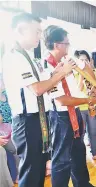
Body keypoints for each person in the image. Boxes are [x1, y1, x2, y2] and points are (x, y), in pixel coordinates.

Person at [2, 13, 74, 187]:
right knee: (31, 171)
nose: (39, 36)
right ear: (20, 30)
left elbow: (42, 82)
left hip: (38, 120)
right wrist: (61, 74)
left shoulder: (28, 58)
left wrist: (55, 73)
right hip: (27, 122)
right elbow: (38, 89)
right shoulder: (15, 57)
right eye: (36, 31)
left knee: (39, 168)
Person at [43, 25, 96, 187]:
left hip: (75, 113)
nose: (69, 46)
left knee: (78, 153)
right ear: (57, 45)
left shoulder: (67, 61)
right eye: (67, 43)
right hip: (61, 118)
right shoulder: (48, 68)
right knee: (61, 159)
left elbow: (89, 73)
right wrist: (87, 101)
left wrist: (85, 66)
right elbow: (62, 100)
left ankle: (83, 184)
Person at [75, 50, 96, 161]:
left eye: (86, 60)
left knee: (93, 131)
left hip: (92, 106)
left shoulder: (94, 72)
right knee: (81, 133)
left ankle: (94, 153)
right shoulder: (74, 74)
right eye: (81, 60)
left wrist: (95, 91)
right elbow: (78, 89)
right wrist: (82, 74)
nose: (84, 62)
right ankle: (81, 156)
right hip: (80, 107)